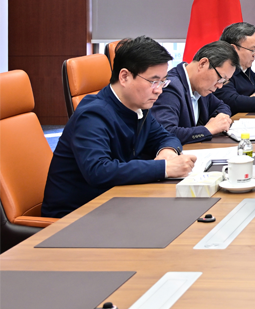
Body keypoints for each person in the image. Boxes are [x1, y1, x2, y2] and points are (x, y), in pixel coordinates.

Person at [42, 37, 196, 218]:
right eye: (153, 81)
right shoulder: (92, 115)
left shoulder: (138, 106)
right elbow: (99, 171)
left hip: (115, 202)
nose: (159, 90)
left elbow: (166, 136)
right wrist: (164, 168)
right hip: (75, 216)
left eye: (163, 82)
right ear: (124, 77)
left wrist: (167, 151)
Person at [151, 41, 237, 144]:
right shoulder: (170, 87)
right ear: (203, 64)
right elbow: (166, 133)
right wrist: (208, 129)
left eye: (224, 81)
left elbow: (222, 106)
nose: (220, 86)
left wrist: (219, 119)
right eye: (221, 78)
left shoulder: (200, 87)